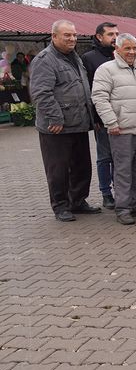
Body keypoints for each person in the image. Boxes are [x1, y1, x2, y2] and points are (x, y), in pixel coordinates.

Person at [30, 19, 101, 222]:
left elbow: (82, 88)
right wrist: (55, 117)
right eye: (67, 35)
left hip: (78, 122)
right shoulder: (45, 60)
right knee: (58, 169)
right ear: (54, 36)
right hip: (56, 127)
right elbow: (41, 93)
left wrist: (92, 116)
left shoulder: (74, 57)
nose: (72, 39)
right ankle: (60, 205)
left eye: (74, 35)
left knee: (81, 166)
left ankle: (77, 201)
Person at [91, 33, 136, 225]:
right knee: (122, 169)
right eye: (127, 48)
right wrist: (111, 122)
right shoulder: (106, 70)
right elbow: (99, 98)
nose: (131, 52)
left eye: (134, 48)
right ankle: (123, 207)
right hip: (121, 128)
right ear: (117, 49)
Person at [81, 22, 118, 209]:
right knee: (105, 156)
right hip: (102, 117)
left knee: (120, 157)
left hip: (123, 115)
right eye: (110, 34)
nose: (114, 37)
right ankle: (106, 193)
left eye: (116, 33)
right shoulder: (89, 58)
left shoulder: (120, 55)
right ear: (99, 37)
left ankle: (120, 190)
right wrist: (95, 118)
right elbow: (88, 90)